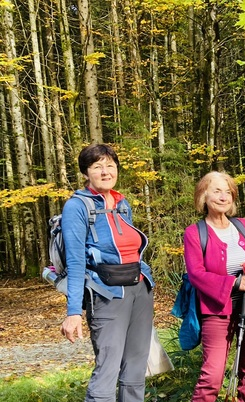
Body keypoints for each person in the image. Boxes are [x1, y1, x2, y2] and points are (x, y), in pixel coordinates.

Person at [60, 143, 155, 401]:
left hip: (140, 288)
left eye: (110, 166)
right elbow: (76, 261)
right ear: (86, 172)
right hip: (106, 292)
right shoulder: (77, 207)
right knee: (107, 370)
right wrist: (73, 313)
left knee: (136, 368)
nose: (105, 172)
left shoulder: (123, 203)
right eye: (97, 166)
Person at [183, 171, 245, 402]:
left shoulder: (243, 226)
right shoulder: (195, 233)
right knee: (212, 376)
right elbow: (196, 274)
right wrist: (234, 283)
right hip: (216, 311)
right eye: (217, 191)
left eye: (228, 192)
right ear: (204, 196)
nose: (223, 197)